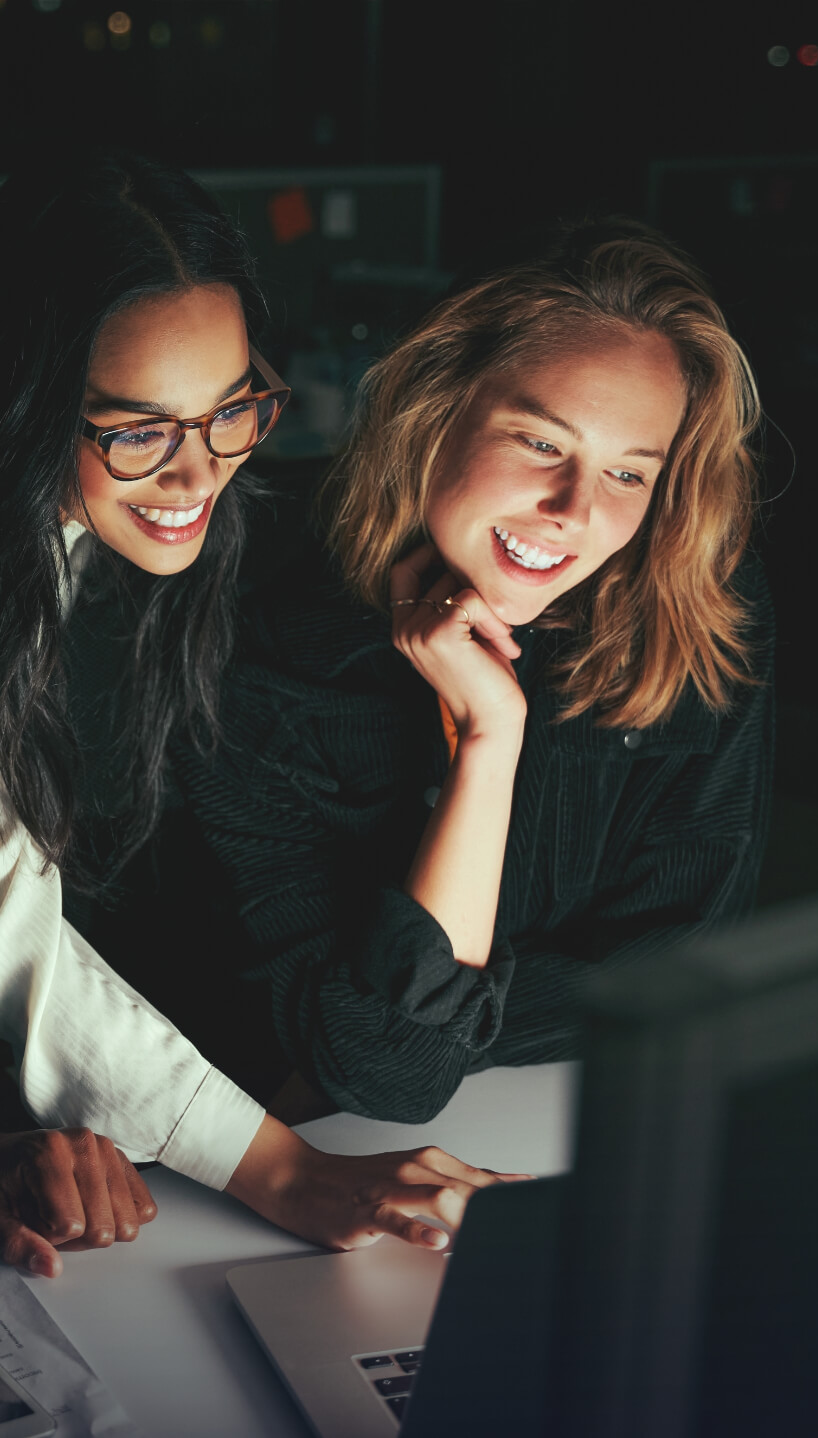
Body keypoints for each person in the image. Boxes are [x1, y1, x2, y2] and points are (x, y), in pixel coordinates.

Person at [0, 148, 522, 1279]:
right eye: (138, 431)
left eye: (230, 410)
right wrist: (286, 1171)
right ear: (29, 399)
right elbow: (17, 945)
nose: (197, 478)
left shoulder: (88, 534)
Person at [161, 217, 775, 1125]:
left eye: (629, 476)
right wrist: (490, 743)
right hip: (300, 1156)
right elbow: (389, 1077)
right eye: (540, 444)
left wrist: (422, 1020)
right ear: (437, 411)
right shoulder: (259, 658)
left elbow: (682, 971)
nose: (574, 511)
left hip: (588, 1118)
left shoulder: (703, 610)